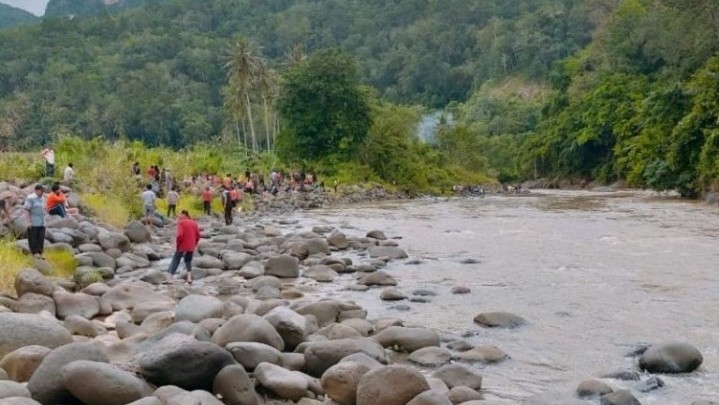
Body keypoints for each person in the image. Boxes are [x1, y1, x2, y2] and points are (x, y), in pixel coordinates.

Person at [166, 210, 200, 284]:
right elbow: (198, 235)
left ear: (184, 215)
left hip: (182, 244)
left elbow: (180, 235)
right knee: (188, 260)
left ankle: (170, 278)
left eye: (180, 214)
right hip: (191, 244)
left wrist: (178, 244)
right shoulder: (193, 222)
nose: (179, 216)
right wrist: (195, 244)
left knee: (176, 259)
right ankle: (189, 278)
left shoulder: (181, 223)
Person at [24, 184, 47, 259]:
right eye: (41, 191)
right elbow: (26, 210)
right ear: (37, 190)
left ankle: (40, 253)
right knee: (33, 238)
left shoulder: (42, 198)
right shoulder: (30, 198)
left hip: (42, 222)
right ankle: (34, 253)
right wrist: (28, 222)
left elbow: (43, 208)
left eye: (43, 191)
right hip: (33, 222)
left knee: (41, 238)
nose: (42, 193)